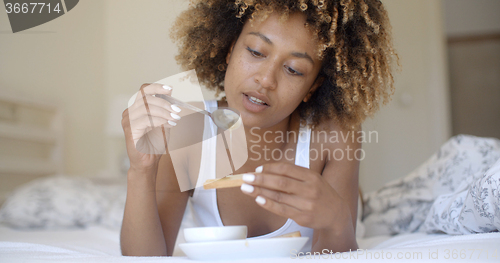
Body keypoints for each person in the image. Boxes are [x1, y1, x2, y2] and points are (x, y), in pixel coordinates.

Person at [120, 0, 396, 256]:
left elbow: (336, 255)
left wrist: (337, 220)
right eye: (255, 52)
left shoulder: (334, 135)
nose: (265, 80)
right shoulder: (189, 131)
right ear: (230, 50)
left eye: (294, 69)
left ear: (312, 87)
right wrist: (141, 171)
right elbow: (148, 258)